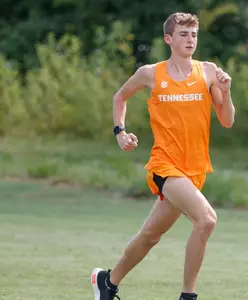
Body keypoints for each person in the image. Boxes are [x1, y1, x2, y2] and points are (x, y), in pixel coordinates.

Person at [90, 12, 235, 300]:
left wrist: (227, 91)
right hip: (164, 165)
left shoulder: (208, 71)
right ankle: (188, 296)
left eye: (193, 34)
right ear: (169, 39)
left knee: (150, 237)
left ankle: (108, 281)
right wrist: (120, 132)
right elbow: (120, 97)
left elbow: (227, 120)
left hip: (194, 170)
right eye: (183, 34)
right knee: (206, 220)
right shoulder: (150, 73)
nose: (190, 39)